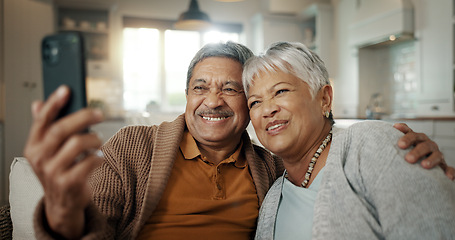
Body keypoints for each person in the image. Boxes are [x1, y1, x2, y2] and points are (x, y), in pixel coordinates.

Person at [23, 41, 451, 240]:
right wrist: (62, 210)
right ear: (187, 95)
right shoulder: (134, 147)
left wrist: (441, 177)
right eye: (199, 87)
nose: (213, 100)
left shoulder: (271, 170)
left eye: (231, 89)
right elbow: (89, 223)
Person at [242, 41, 455, 240]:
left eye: (281, 91)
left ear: (324, 98)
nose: (268, 110)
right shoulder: (272, 194)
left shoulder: (370, 144)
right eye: (255, 102)